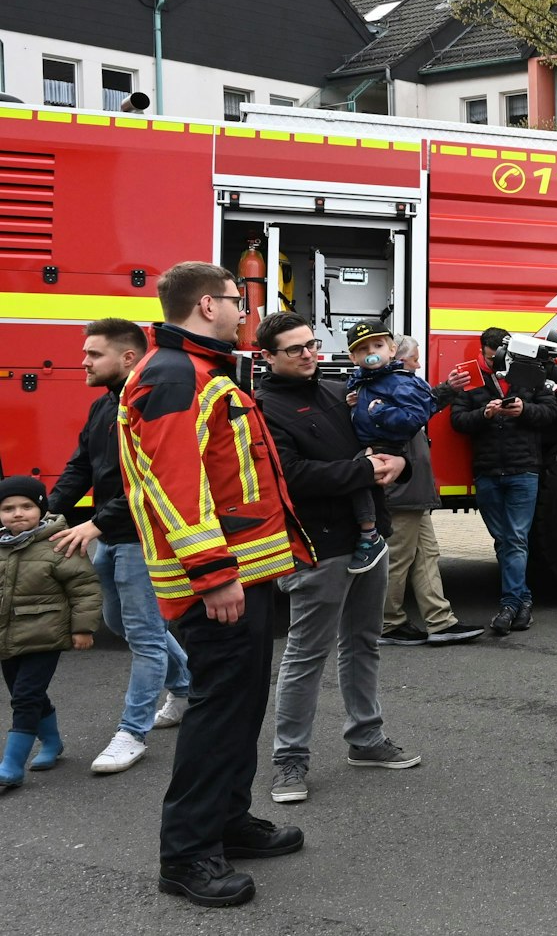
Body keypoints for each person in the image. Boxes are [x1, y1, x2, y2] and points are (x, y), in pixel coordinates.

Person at [121, 261, 310, 908]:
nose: (243, 311)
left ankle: (228, 821)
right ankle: (187, 855)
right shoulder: (175, 375)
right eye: (237, 300)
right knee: (219, 711)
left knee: (240, 707)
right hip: (218, 584)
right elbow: (177, 486)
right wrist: (213, 575)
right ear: (207, 304)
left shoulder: (197, 371)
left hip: (241, 575)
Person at [255, 311, 422, 807]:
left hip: (370, 537)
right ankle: (289, 759)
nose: (307, 354)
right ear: (268, 357)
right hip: (316, 546)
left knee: (364, 643)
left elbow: (381, 445)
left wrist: (399, 462)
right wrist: (363, 471)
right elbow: (291, 476)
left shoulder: (336, 389)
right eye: (294, 349)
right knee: (305, 656)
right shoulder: (263, 407)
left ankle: (366, 739)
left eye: (311, 344)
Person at [47, 318, 192, 776]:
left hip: (143, 539)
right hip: (110, 535)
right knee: (120, 623)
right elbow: (80, 466)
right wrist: (47, 514)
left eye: (93, 354)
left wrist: (94, 524)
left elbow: (152, 483)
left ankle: (132, 733)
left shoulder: (151, 406)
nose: (83, 361)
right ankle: (188, 685)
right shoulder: (102, 408)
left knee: (145, 636)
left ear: (128, 358)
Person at [379, 335, 484, 647]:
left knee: (425, 556)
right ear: (399, 358)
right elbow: (414, 414)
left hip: (412, 489)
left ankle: (440, 622)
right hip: (404, 490)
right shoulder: (394, 387)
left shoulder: (391, 388)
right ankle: (387, 623)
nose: (420, 364)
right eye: (415, 359)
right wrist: (446, 390)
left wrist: (447, 389)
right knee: (399, 558)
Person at [451, 326, 557, 635]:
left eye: (499, 357)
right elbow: (457, 421)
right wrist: (484, 414)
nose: (494, 362)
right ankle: (523, 602)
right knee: (506, 540)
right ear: (481, 350)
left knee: (514, 539)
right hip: (487, 471)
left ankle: (509, 605)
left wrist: (523, 410)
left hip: (523, 469)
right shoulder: (470, 377)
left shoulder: (530, 374)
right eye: (489, 356)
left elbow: (551, 412)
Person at [0, 476, 101, 789]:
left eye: (26, 506)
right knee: (23, 692)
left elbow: (84, 588)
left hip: (45, 635)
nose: (17, 513)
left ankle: (11, 765)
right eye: (8, 508)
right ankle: (53, 742)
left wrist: (82, 628)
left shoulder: (60, 542)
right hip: (7, 637)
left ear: (41, 509)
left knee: (26, 698)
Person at [340, 320, 442, 576]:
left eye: (377, 345)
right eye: (363, 349)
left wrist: (381, 411)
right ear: (353, 357)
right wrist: (353, 399)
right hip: (371, 445)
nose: (371, 352)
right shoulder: (365, 380)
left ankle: (369, 535)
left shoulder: (401, 382)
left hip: (387, 449)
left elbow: (413, 420)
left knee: (356, 476)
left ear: (392, 349)